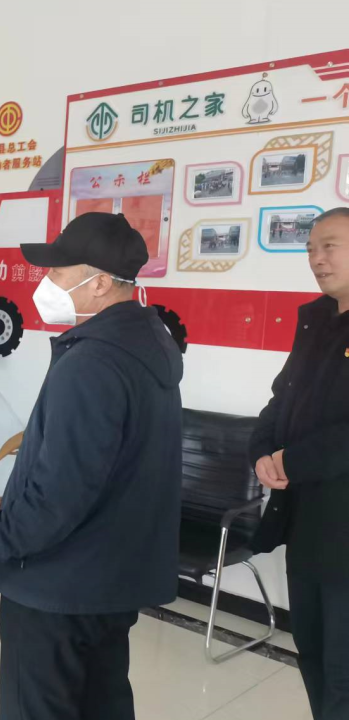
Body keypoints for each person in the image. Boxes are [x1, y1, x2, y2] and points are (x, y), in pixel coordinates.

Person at [0, 212, 183, 720]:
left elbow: (56, 498)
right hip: (108, 580)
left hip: (57, 588)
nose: (46, 283)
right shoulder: (147, 344)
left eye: (57, 272)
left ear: (99, 284)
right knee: (100, 703)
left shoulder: (93, 363)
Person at [249, 207, 349, 719]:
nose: (317, 259)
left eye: (330, 246)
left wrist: (294, 459)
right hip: (305, 524)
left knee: (343, 670)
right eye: (311, 248)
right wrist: (262, 452)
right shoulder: (314, 320)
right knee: (310, 650)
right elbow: (281, 399)